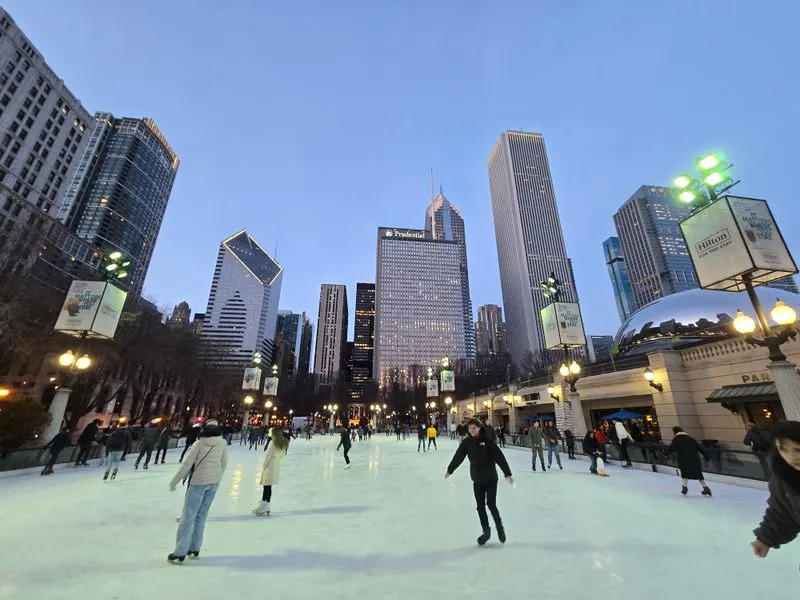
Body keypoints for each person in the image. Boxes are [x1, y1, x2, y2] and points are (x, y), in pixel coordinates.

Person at [168, 419, 228, 563]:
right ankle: (195, 548)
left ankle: (180, 551)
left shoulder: (199, 443)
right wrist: (218, 476)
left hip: (198, 482)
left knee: (188, 517)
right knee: (201, 516)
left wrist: (174, 481)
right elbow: (224, 462)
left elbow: (187, 464)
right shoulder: (222, 443)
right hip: (214, 482)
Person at [445, 418, 513, 545]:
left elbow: (499, 457)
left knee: (491, 504)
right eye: (470, 428)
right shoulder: (466, 442)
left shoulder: (487, 441)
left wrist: (507, 473)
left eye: (474, 428)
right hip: (477, 479)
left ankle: (499, 527)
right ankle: (486, 531)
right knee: (480, 506)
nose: (472, 430)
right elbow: (458, 456)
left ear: (479, 428)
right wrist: (450, 469)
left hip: (491, 478)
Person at [752, 420, 800, 560]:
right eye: (783, 449)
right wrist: (766, 538)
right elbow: (783, 513)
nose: (791, 457)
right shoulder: (784, 480)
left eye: (798, 450)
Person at [664, 426, 712, 496]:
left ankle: (684, 488)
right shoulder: (691, 439)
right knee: (698, 474)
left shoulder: (676, 439)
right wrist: (707, 456)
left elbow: (671, 448)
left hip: (683, 459)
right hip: (695, 459)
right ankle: (706, 488)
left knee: (684, 473)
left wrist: (665, 453)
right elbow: (700, 448)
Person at [253, 427, 288, 516]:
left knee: (266, 487)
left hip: (269, 466)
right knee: (268, 486)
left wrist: (264, 466)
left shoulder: (273, 443)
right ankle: (265, 504)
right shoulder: (281, 443)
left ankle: (265, 504)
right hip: (275, 466)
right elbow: (282, 455)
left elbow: (268, 456)